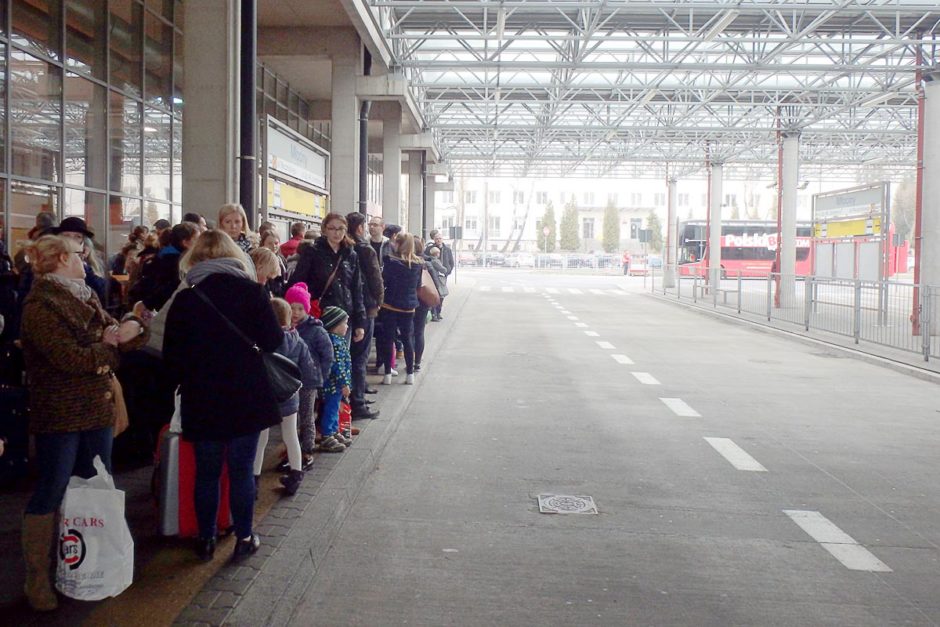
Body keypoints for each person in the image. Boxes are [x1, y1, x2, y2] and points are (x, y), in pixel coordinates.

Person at [19, 235, 148, 611]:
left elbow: (115, 329)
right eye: (79, 254)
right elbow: (68, 358)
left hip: (96, 407)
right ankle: (36, 577)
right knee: (53, 486)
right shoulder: (40, 306)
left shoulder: (84, 293)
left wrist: (132, 329)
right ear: (61, 259)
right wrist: (108, 345)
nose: (86, 259)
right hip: (61, 412)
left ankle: (88, 560)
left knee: (97, 482)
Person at [163, 230, 283, 562]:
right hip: (247, 395)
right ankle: (244, 537)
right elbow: (274, 342)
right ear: (233, 256)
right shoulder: (253, 292)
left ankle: (206, 538)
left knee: (207, 471)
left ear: (195, 259)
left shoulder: (186, 298)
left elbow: (171, 356)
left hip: (203, 398)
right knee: (242, 470)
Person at [253, 299, 317, 496]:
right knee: (290, 436)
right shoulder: (298, 342)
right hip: (290, 396)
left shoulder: (261, 341)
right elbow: (307, 371)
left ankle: (253, 480)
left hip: (265, 396)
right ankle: (295, 475)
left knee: (261, 438)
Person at [287, 213, 366, 346]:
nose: (337, 233)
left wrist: (360, 322)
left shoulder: (351, 255)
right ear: (324, 229)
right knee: (321, 358)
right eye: (332, 228)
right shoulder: (313, 252)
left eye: (340, 228)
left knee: (341, 359)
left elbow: (356, 289)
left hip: (343, 316)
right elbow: (297, 282)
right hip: (320, 315)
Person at [284, 282, 332, 467]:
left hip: (309, 381)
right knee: (290, 420)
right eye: (292, 308)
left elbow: (328, 355)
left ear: (307, 309)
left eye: (300, 308)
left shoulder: (316, 329)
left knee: (306, 417)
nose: (295, 312)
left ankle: (306, 451)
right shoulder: (285, 329)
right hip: (289, 381)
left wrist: (321, 376)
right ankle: (292, 452)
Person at [345, 212, 382, 420]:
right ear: (360, 228)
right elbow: (375, 279)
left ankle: (353, 397)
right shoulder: (365, 249)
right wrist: (378, 302)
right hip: (365, 308)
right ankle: (357, 402)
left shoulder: (345, 247)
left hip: (348, 307)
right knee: (360, 356)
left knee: (349, 355)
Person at [377, 233, 424, 386]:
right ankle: (410, 374)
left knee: (388, 339)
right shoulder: (418, 264)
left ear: (399, 244)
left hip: (390, 304)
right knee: (407, 339)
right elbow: (418, 285)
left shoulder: (390, 262)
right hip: (408, 307)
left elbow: (384, 281)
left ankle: (388, 374)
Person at [129, 222, 198, 311]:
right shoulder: (176, 263)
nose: (199, 244)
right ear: (185, 242)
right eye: (197, 239)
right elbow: (170, 289)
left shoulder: (162, 256)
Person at [318, 306, 352, 453]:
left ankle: (333, 431)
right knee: (331, 409)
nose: (347, 326)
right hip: (333, 384)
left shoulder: (338, 340)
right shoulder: (335, 343)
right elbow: (337, 365)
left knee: (335, 408)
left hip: (335, 385)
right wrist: (344, 383)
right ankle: (327, 435)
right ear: (335, 325)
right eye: (344, 323)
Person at [425, 230, 454, 320]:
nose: (438, 240)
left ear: (442, 239)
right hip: (433, 275)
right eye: (436, 239)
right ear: (434, 239)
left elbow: (451, 262)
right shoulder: (430, 249)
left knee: (442, 294)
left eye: (440, 238)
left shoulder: (447, 249)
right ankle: (434, 313)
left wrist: (448, 271)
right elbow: (425, 257)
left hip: (443, 276)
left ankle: (438, 311)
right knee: (435, 294)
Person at [259, 231, 288, 296]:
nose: (273, 246)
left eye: (276, 243)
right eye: (270, 243)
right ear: (263, 243)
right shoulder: (261, 259)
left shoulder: (281, 259)